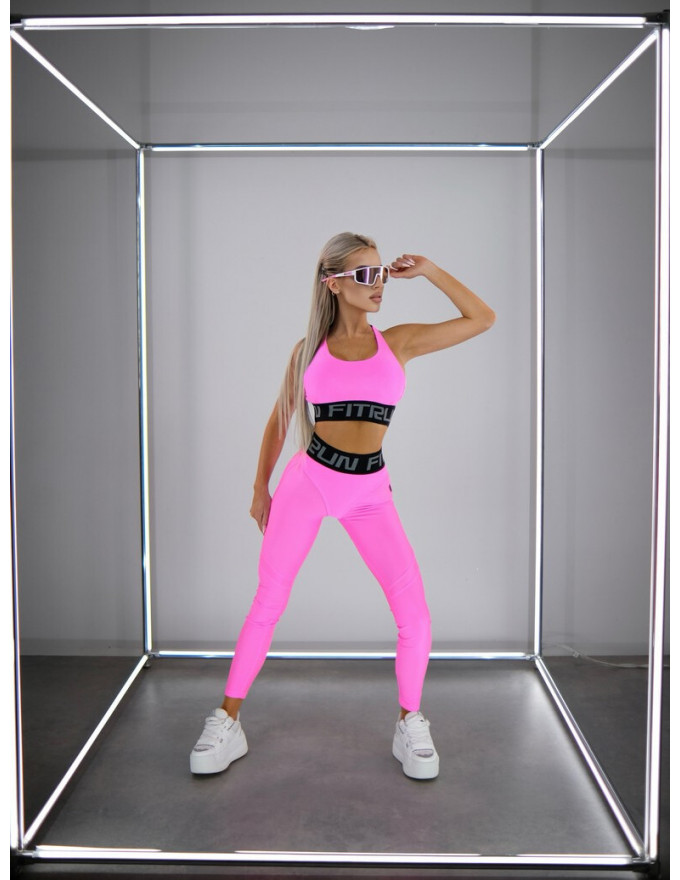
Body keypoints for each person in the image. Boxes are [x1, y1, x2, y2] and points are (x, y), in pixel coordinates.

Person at [190, 232, 495, 780]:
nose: (378, 284)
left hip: (369, 493)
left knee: (414, 614)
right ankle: (227, 720)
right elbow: (280, 420)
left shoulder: (398, 342)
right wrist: (260, 488)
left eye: (380, 273)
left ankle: (409, 720)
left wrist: (429, 270)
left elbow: (482, 318)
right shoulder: (307, 351)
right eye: (364, 275)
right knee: (268, 602)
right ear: (332, 283)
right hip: (309, 483)